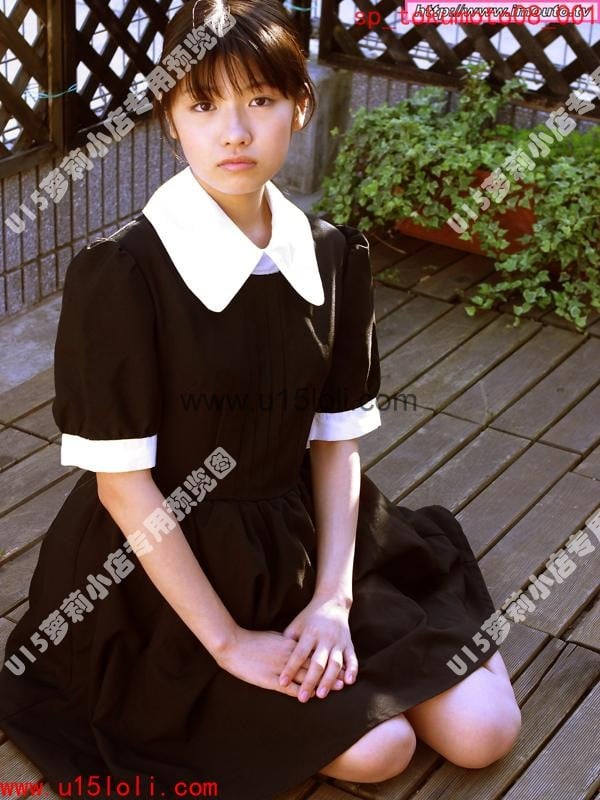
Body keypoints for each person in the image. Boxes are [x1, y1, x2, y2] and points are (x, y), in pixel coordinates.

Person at [0, 1, 521, 798]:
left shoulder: (332, 254)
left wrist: (333, 601)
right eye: (204, 104)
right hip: (162, 569)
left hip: (306, 539)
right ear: (170, 118)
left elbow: (335, 444)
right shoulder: (123, 273)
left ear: (299, 105)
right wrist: (228, 643)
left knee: (485, 733)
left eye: (261, 100)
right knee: (379, 751)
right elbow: (122, 486)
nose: (234, 132)